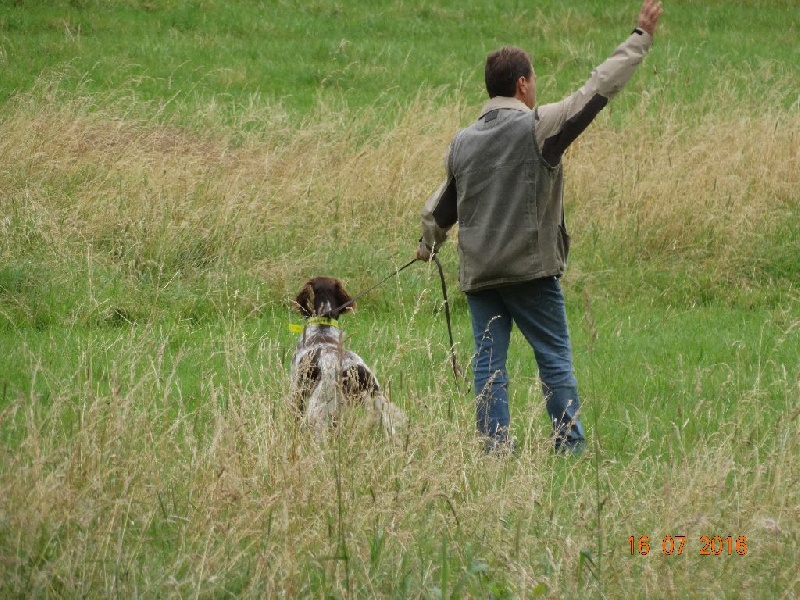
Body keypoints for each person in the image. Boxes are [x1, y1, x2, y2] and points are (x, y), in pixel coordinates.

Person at [416, 0, 663, 454]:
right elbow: (597, 88)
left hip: (481, 278)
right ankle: (568, 448)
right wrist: (639, 39)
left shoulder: (462, 142)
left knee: (488, 366)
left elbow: (439, 209)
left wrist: (426, 246)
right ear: (522, 84)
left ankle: (494, 451)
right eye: (534, 81)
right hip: (531, 272)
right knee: (553, 359)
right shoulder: (539, 126)